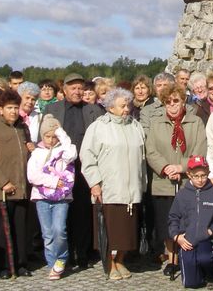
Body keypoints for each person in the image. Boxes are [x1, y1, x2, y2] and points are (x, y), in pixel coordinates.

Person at [80, 87, 147, 280]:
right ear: (110, 107)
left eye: (128, 105)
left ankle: (121, 261)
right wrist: (94, 182)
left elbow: (141, 158)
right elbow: (87, 156)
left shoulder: (135, 126)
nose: (127, 109)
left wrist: (142, 183)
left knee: (127, 232)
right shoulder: (98, 127)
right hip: (108, 188)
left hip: (132, 188)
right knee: (109, 231)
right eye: (122, 106)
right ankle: (109, 264)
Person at [146, 84, 207, 277]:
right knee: (167, 222)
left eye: (176, 101)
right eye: (168, 101)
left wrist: (181, 167)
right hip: (163, 181)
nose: (172, 105)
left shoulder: (195, 122)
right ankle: (171, 258)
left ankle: (186, 256)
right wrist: (165, 168)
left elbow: (200, 149)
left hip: (187, 180)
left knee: (187, 221)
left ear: (183, 102)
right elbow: (151, 150)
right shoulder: (156, 123)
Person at [44, 72, 103, 269]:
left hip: (85, 168)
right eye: (73, 88)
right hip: (60, 170)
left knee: (84, 212)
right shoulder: (52, 109)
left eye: (80, 88)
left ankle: (84, 253)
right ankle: (64, 254)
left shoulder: (94, 110)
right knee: (62, 212)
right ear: (65, 90)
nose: (77, 92)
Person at [0, 89, 32, 278]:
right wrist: (3, 182)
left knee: (21, 228)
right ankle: (3, 266)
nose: (13, 111)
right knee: (4, 231)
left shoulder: (22, 128)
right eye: (9, 108)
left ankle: (21, 264)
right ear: (1, 109)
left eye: (16, 107)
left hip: (22, 188)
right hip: (3, 190)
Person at [28, 114, 77, 280]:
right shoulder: (37, 153)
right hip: (41, 198)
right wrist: (54, 181)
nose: (51, 140)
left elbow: (72, 153)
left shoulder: (63, 151)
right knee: (47, 233)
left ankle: (62, 258)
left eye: (54, 136)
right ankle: (52, 263)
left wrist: (61, 133)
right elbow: (32, 176)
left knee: (59, 229)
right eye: (47, 136)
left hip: (61, 199)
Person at [168, 156, 213, 289]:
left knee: (205, 258)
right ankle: (198, 273)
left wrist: (211, 230)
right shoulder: (182, 194)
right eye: (196, 176)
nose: (200, 179)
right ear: (189, 174)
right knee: (191, 283)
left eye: (204, 175)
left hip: (206, 238)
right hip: (186, 240)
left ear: (208, 173)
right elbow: (173, 218)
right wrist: (177, 236)